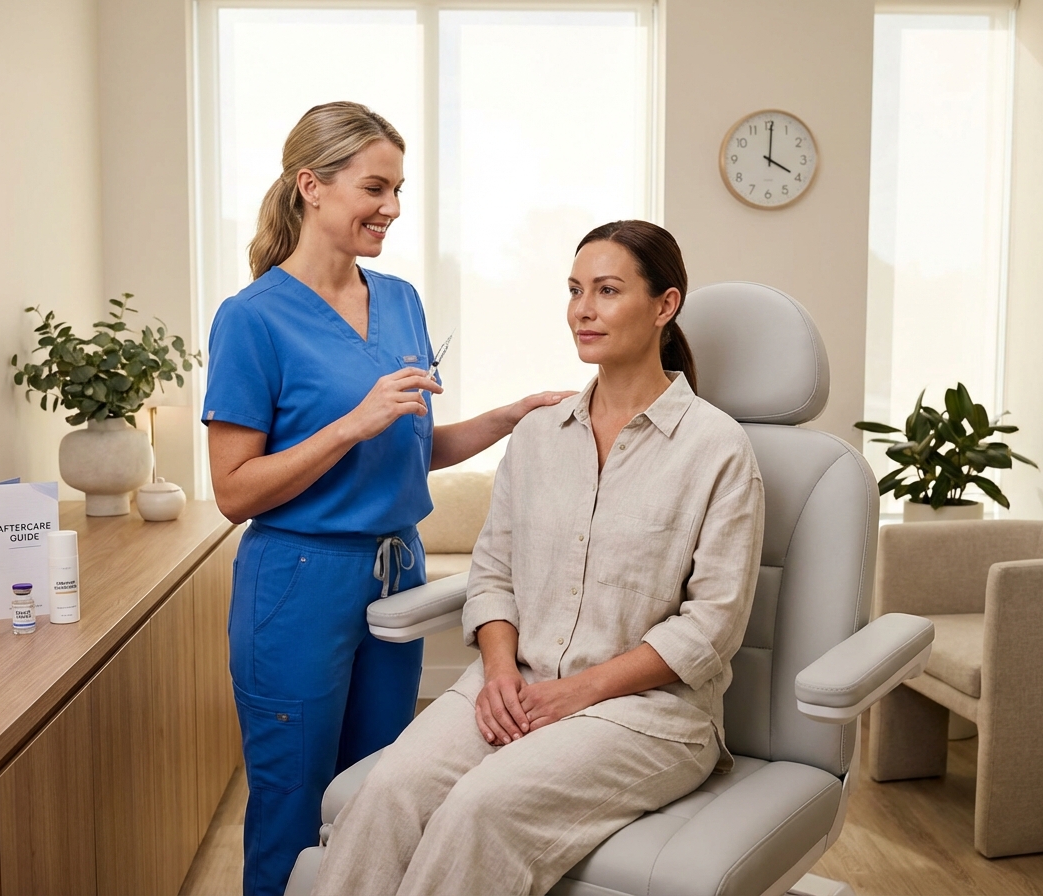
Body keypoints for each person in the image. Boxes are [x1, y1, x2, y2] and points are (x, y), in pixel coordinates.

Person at [312, 220, 766, 896]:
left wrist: (570, 695)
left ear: (664, 306)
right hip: (516, 686)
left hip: (646, 715)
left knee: (477, 809)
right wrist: (499, 672)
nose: (583, 309)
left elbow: (710, 630)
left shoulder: (717, 451)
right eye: (576, 290)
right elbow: (493, 573)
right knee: (391, 790)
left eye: (608, 291)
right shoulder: (538, 437)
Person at [202, 101, 567, 896]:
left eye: (399, 189)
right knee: (293, 804)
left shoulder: (400, 299)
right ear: (312, 187)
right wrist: (348, 425)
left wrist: (505, 420)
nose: (392, 209)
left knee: (378, 795)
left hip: (397, 577)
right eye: (376, 188)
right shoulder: (251, 320)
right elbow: (233, 491)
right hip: (299, 582)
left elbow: (407, 450)